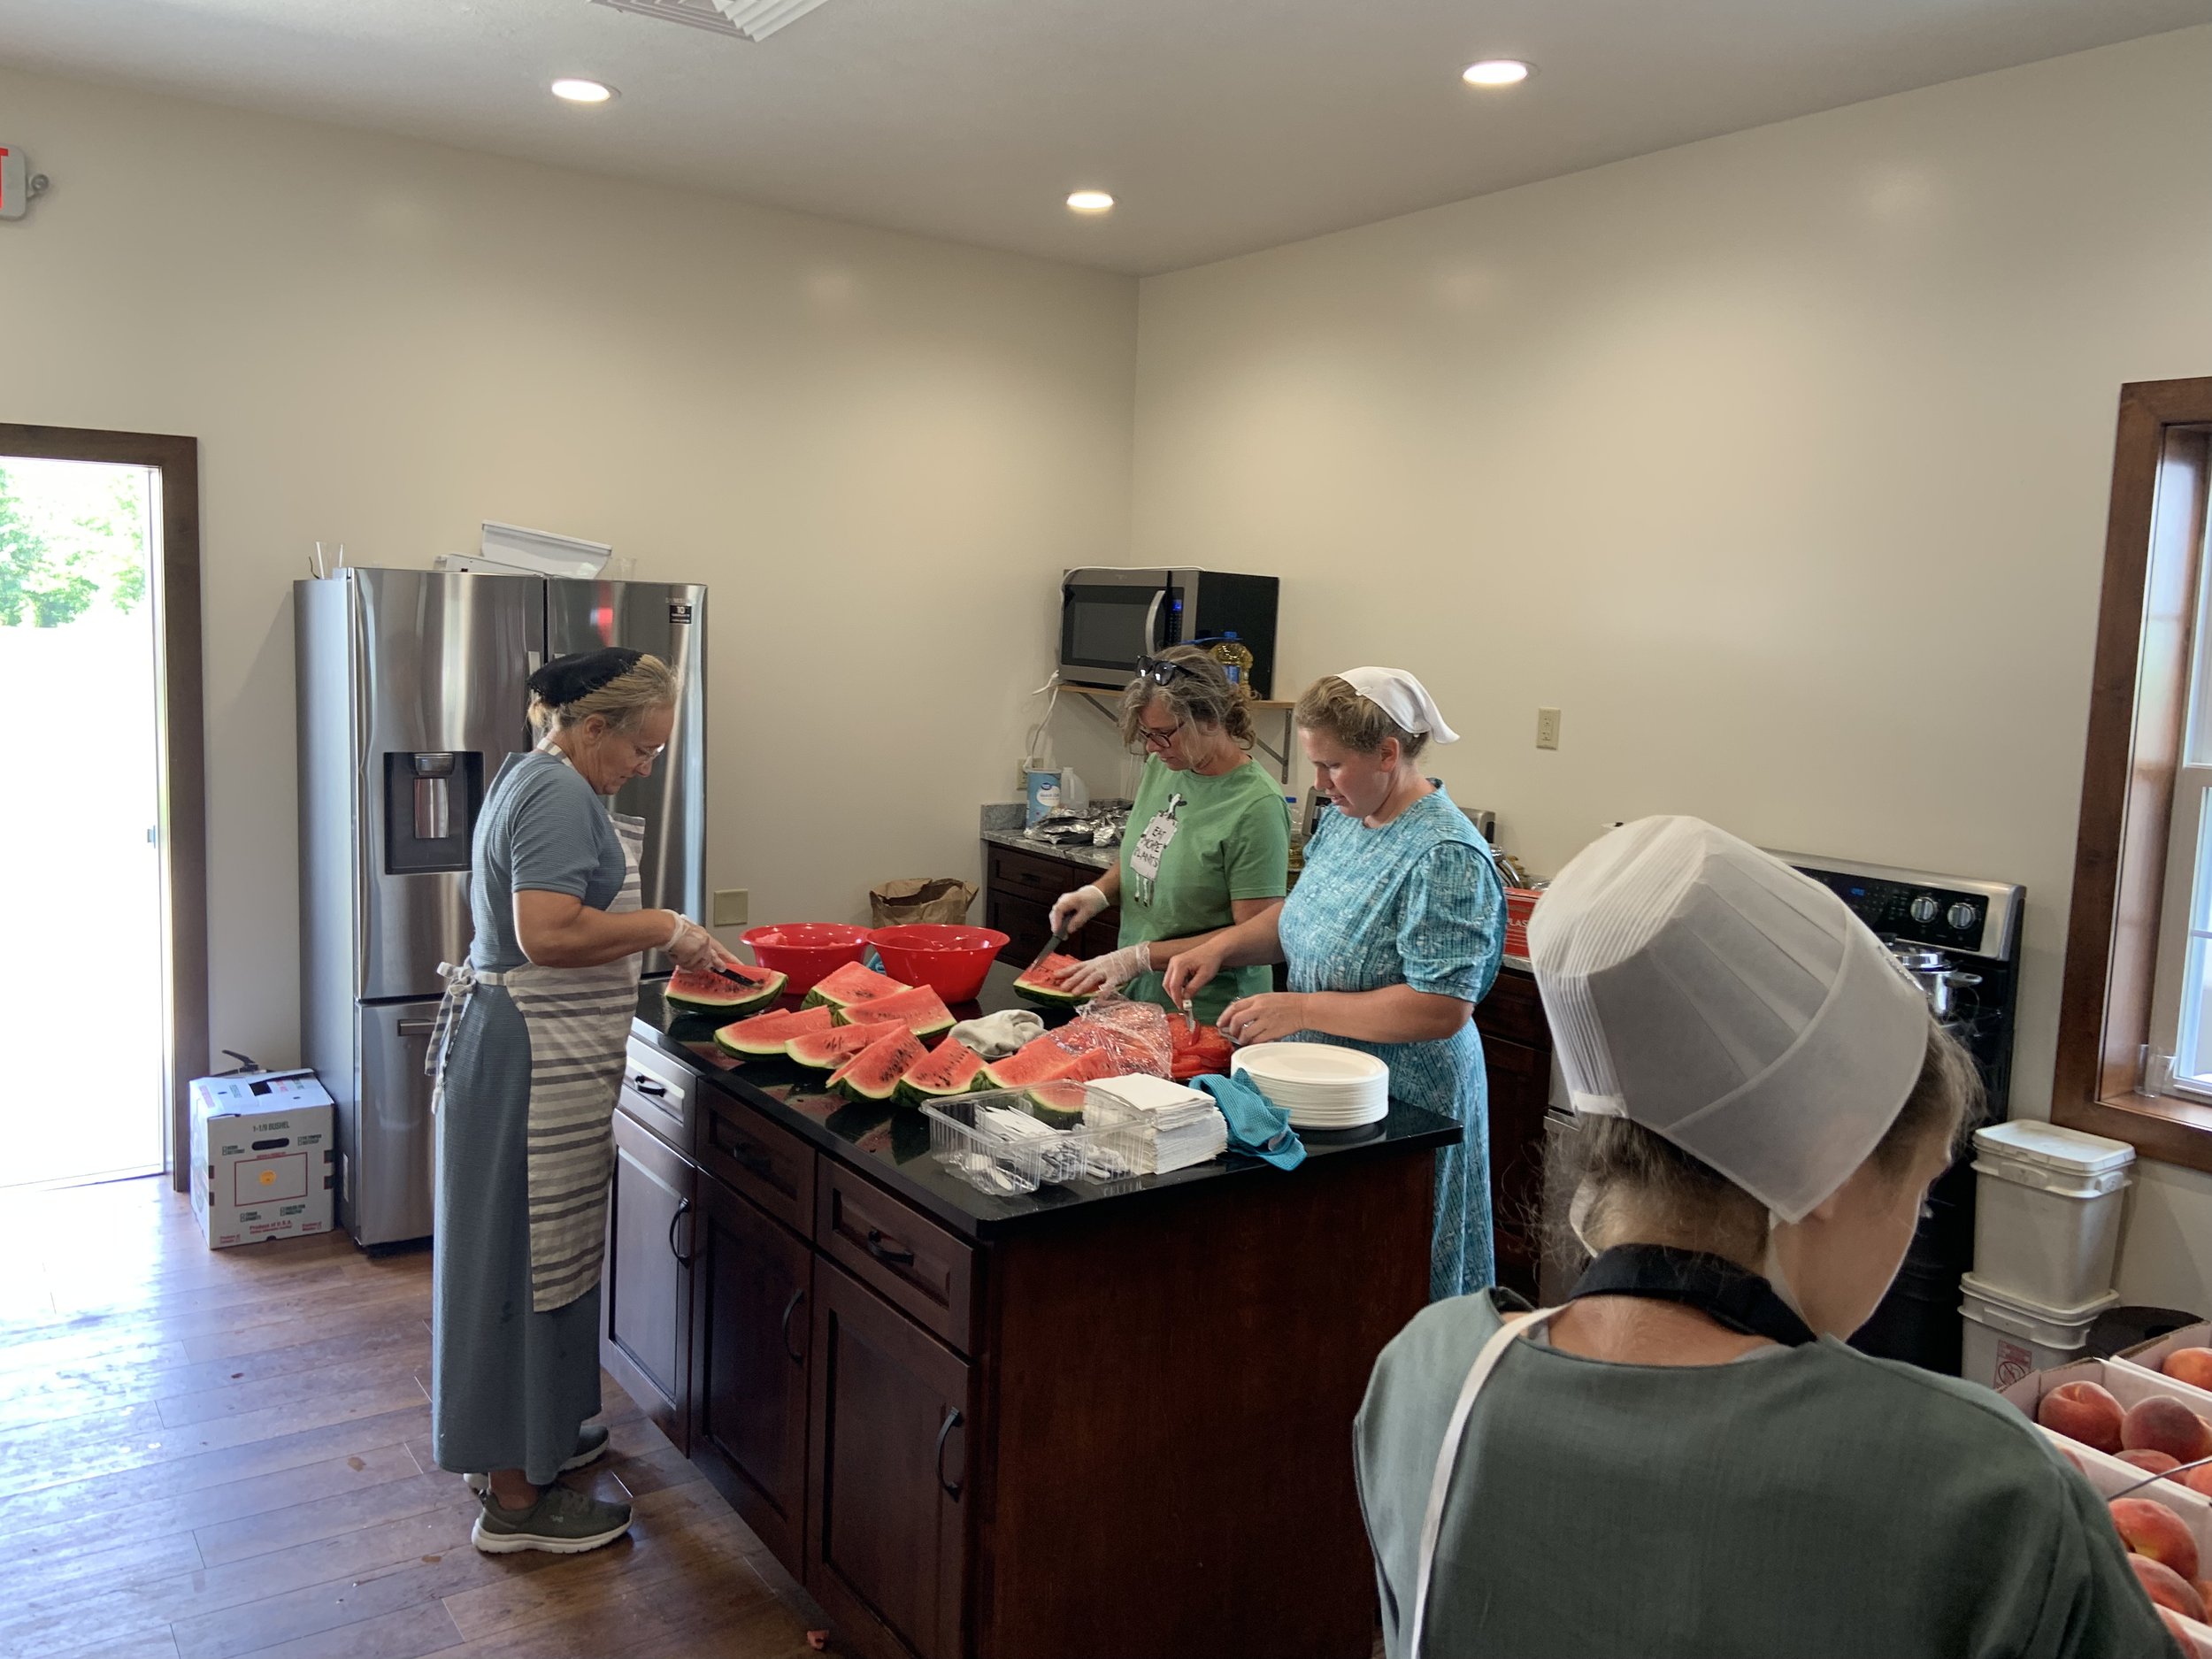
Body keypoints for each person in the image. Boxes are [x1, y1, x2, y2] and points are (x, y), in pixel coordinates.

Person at [1354, 816, 2172, 1659]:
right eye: (1920, 1192)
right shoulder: (1980, 1495)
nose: (1911, 1228)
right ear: (1831, 1160)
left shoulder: (1426, 1372)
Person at [426, 648, 741, 1556]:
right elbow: (549, 933)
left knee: (546, 1252)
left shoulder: (540, 777)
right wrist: (666, 929)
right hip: (528, 1052)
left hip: (531, 1051)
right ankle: (517, 1504)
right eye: (640, 748)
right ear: (591, 726)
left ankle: (532, 1437)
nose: (646, 766)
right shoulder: (560, 793)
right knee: (524, 1261)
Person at [1164, 669, 1505, 1299]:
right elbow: (1303, 922)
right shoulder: (1349, 818)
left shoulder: (1444, 855)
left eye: (1332, 766)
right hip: (1327, 1093)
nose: (1318, 784)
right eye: (1314, 765)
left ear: (1388, 753)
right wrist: (1220, 946)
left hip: (1408, 1106)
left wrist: (1300, 1008)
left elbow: (1440, 1006)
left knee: (1394, 1275)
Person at [1046, 645, 1290, 1026]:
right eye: (1146, 734)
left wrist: (1141, 956)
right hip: (1140, 1001)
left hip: (1209, 1015)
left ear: (1209, 718)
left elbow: (1258, 938)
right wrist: (1098, 892)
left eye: (1162, 734)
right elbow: (1149, 854)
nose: (1151, 747)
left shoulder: (1256, 805)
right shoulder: (1166, 765)